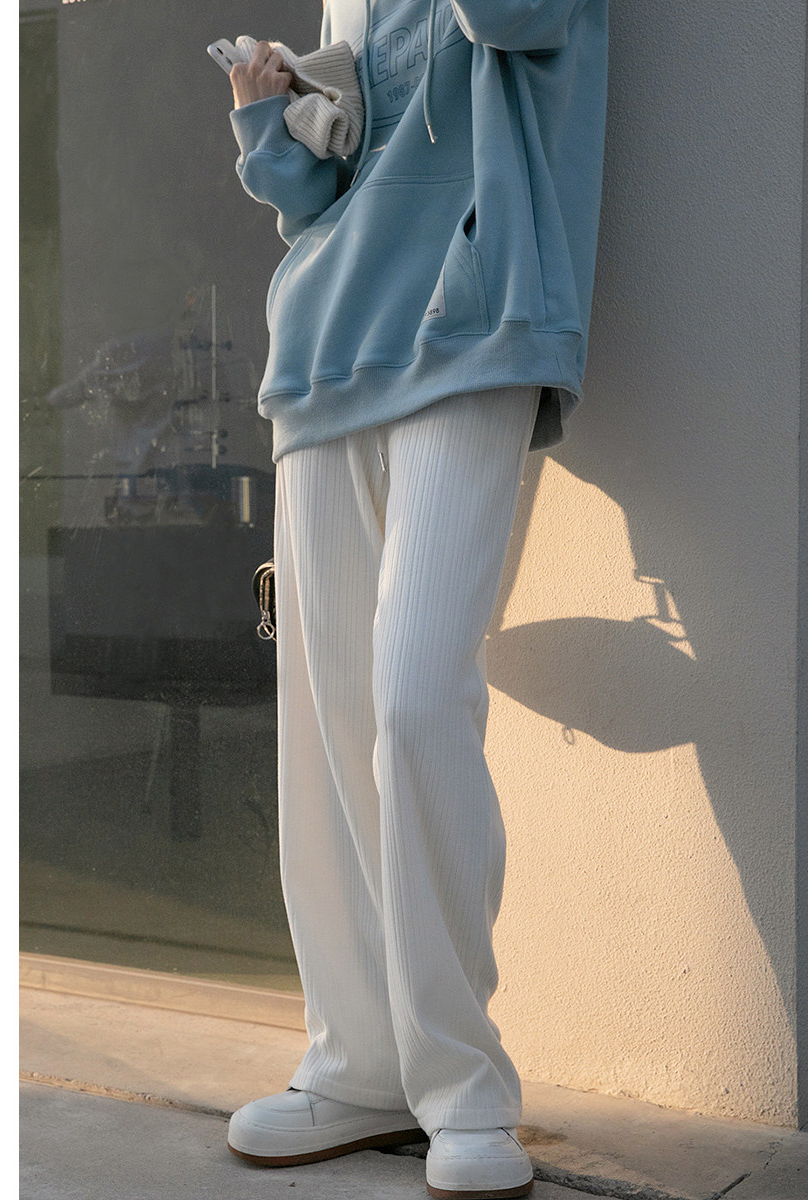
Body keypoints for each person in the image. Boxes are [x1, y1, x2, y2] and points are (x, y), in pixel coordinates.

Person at [222, 3, 608, 1196]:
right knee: (331, 722)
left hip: (475, 322)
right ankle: (358, 1065)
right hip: (324, 346)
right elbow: (319, 196)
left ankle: (462, 1081)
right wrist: (265, 122)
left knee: (415, 701)